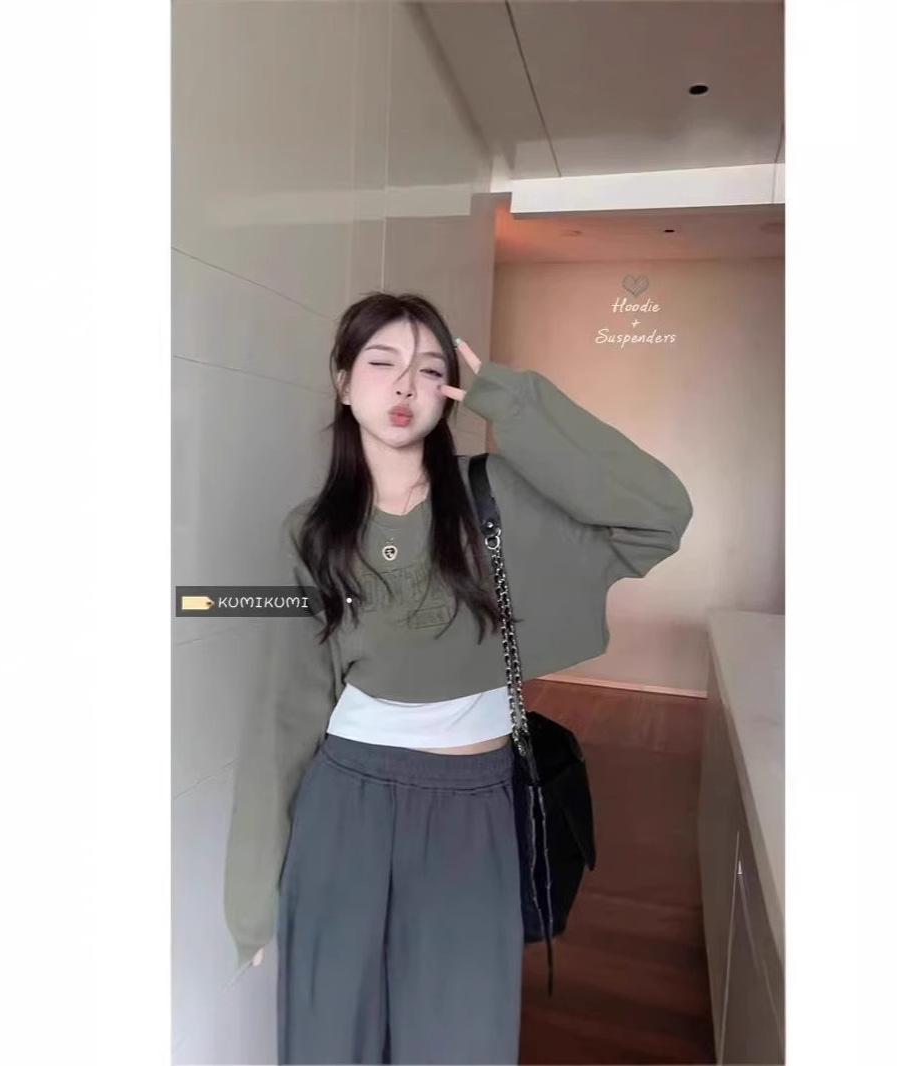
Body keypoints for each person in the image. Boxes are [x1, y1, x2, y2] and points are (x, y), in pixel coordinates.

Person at [223, 292, 693, 1065]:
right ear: (343, 382)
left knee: (461, 1040)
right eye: (381, 362)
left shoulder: (498, 497)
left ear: (449, 391)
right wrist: (251, 902)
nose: (404, 385)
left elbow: (658, 515)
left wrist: (517, 403)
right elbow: (284, 716)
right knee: (332, 1041)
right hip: (346, 809)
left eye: (428, 368)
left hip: (471, 812)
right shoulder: (311, 533)